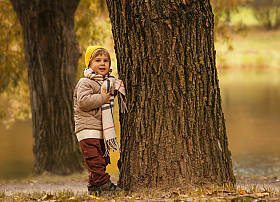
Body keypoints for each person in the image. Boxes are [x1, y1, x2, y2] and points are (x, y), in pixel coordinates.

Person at [73, 46, 127, 195]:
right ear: (89, 65)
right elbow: (83, 102)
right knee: (95, 160)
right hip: (87, 129)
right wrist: (103, 98)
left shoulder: (105, 83)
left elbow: (107, 98)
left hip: (99, 130)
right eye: (97, 60)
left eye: (106, 60)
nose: (102, 63)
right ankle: (105, 185)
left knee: (102, 159)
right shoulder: (85, 82)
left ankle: (93, 185)